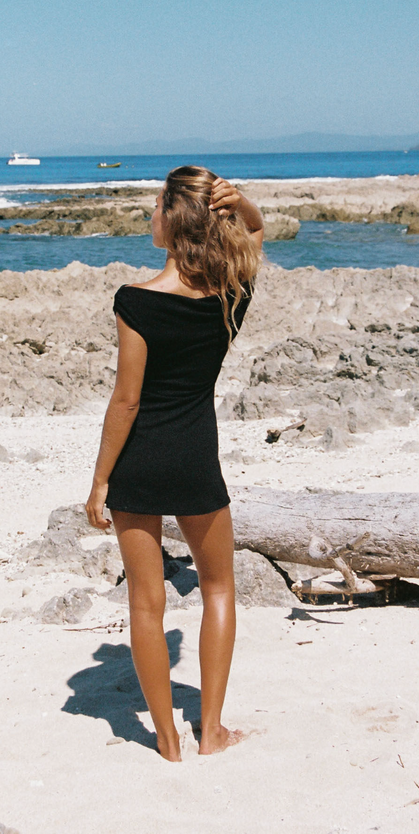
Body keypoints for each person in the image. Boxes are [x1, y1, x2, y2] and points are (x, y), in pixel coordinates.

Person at [85, 165, 264, 761]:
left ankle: (166, 740)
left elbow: (127, 400)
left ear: (173, 220)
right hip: (195, 460)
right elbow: (255, 234)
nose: (150, 215)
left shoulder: (134, 301)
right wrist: (242, 203)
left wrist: (100, 479)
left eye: (156, 206)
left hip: (138, 464)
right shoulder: (230, 295)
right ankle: (211, 731)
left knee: (145, 601)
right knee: (218, 589)